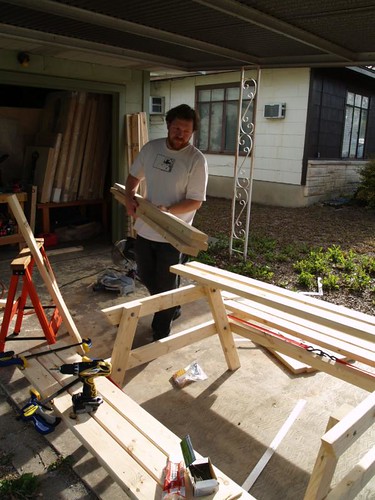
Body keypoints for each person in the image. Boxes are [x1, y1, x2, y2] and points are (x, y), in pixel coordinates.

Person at [124, 104, 208, 340]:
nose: (180, 134)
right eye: (177, 128)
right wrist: (130, 198)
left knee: (165, 282)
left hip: (173, 234)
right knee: (146, 275)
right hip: (145, 228)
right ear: (169, 125)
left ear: (192, 133)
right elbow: (133, 177)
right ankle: (174, 305)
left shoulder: (196, 160)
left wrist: (169, 211)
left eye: (186, 131)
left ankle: (160, 330)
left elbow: (195, 201)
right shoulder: (151, 149)